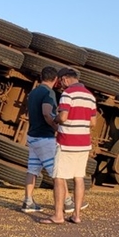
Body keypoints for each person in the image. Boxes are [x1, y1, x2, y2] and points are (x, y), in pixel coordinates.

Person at [21, 66, 84, 215]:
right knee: (58, 172)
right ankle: (68, 202)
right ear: (55, 79)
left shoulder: (34, 92)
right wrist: (57, 128)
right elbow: (47, 113)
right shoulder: (48, 93)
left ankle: (28, 201)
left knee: (32, 169)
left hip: (32, 135)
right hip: (45, 137)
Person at [40, 67, 97, 225]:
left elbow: (63, 117)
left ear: (65, 79)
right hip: (84, 144)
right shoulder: (90, 96)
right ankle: (77, 215)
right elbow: (93, 122)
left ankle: (58, 215)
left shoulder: (67, 94)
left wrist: (56, 119)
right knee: (79, 178)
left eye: (61, 82)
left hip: (66, 142)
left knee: (59, 177)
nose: (61, 85)